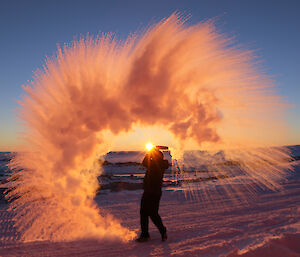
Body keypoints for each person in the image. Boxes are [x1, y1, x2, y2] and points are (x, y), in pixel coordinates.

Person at [136, 148, 169, 242]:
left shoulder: (156, 165)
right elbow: (146, 163)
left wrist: (149, 152)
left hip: (152, 192)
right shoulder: (160, 164)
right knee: (145, 213)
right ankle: (145, 234)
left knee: (151, 213)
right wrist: (151, 152)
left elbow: (145, 162)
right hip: (151, 191)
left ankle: (161, 231)